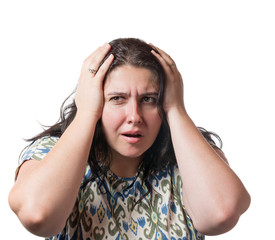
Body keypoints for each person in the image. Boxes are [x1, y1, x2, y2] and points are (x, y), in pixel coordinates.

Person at [8, 38, 250, 240]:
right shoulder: (51, 151)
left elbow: (221, 214)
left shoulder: (188, 155)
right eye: (117, 98)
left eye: (148, 99)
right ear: (95, 99)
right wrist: (86, 114)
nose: (134, 116)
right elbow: (37, 215)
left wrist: (177, 109)